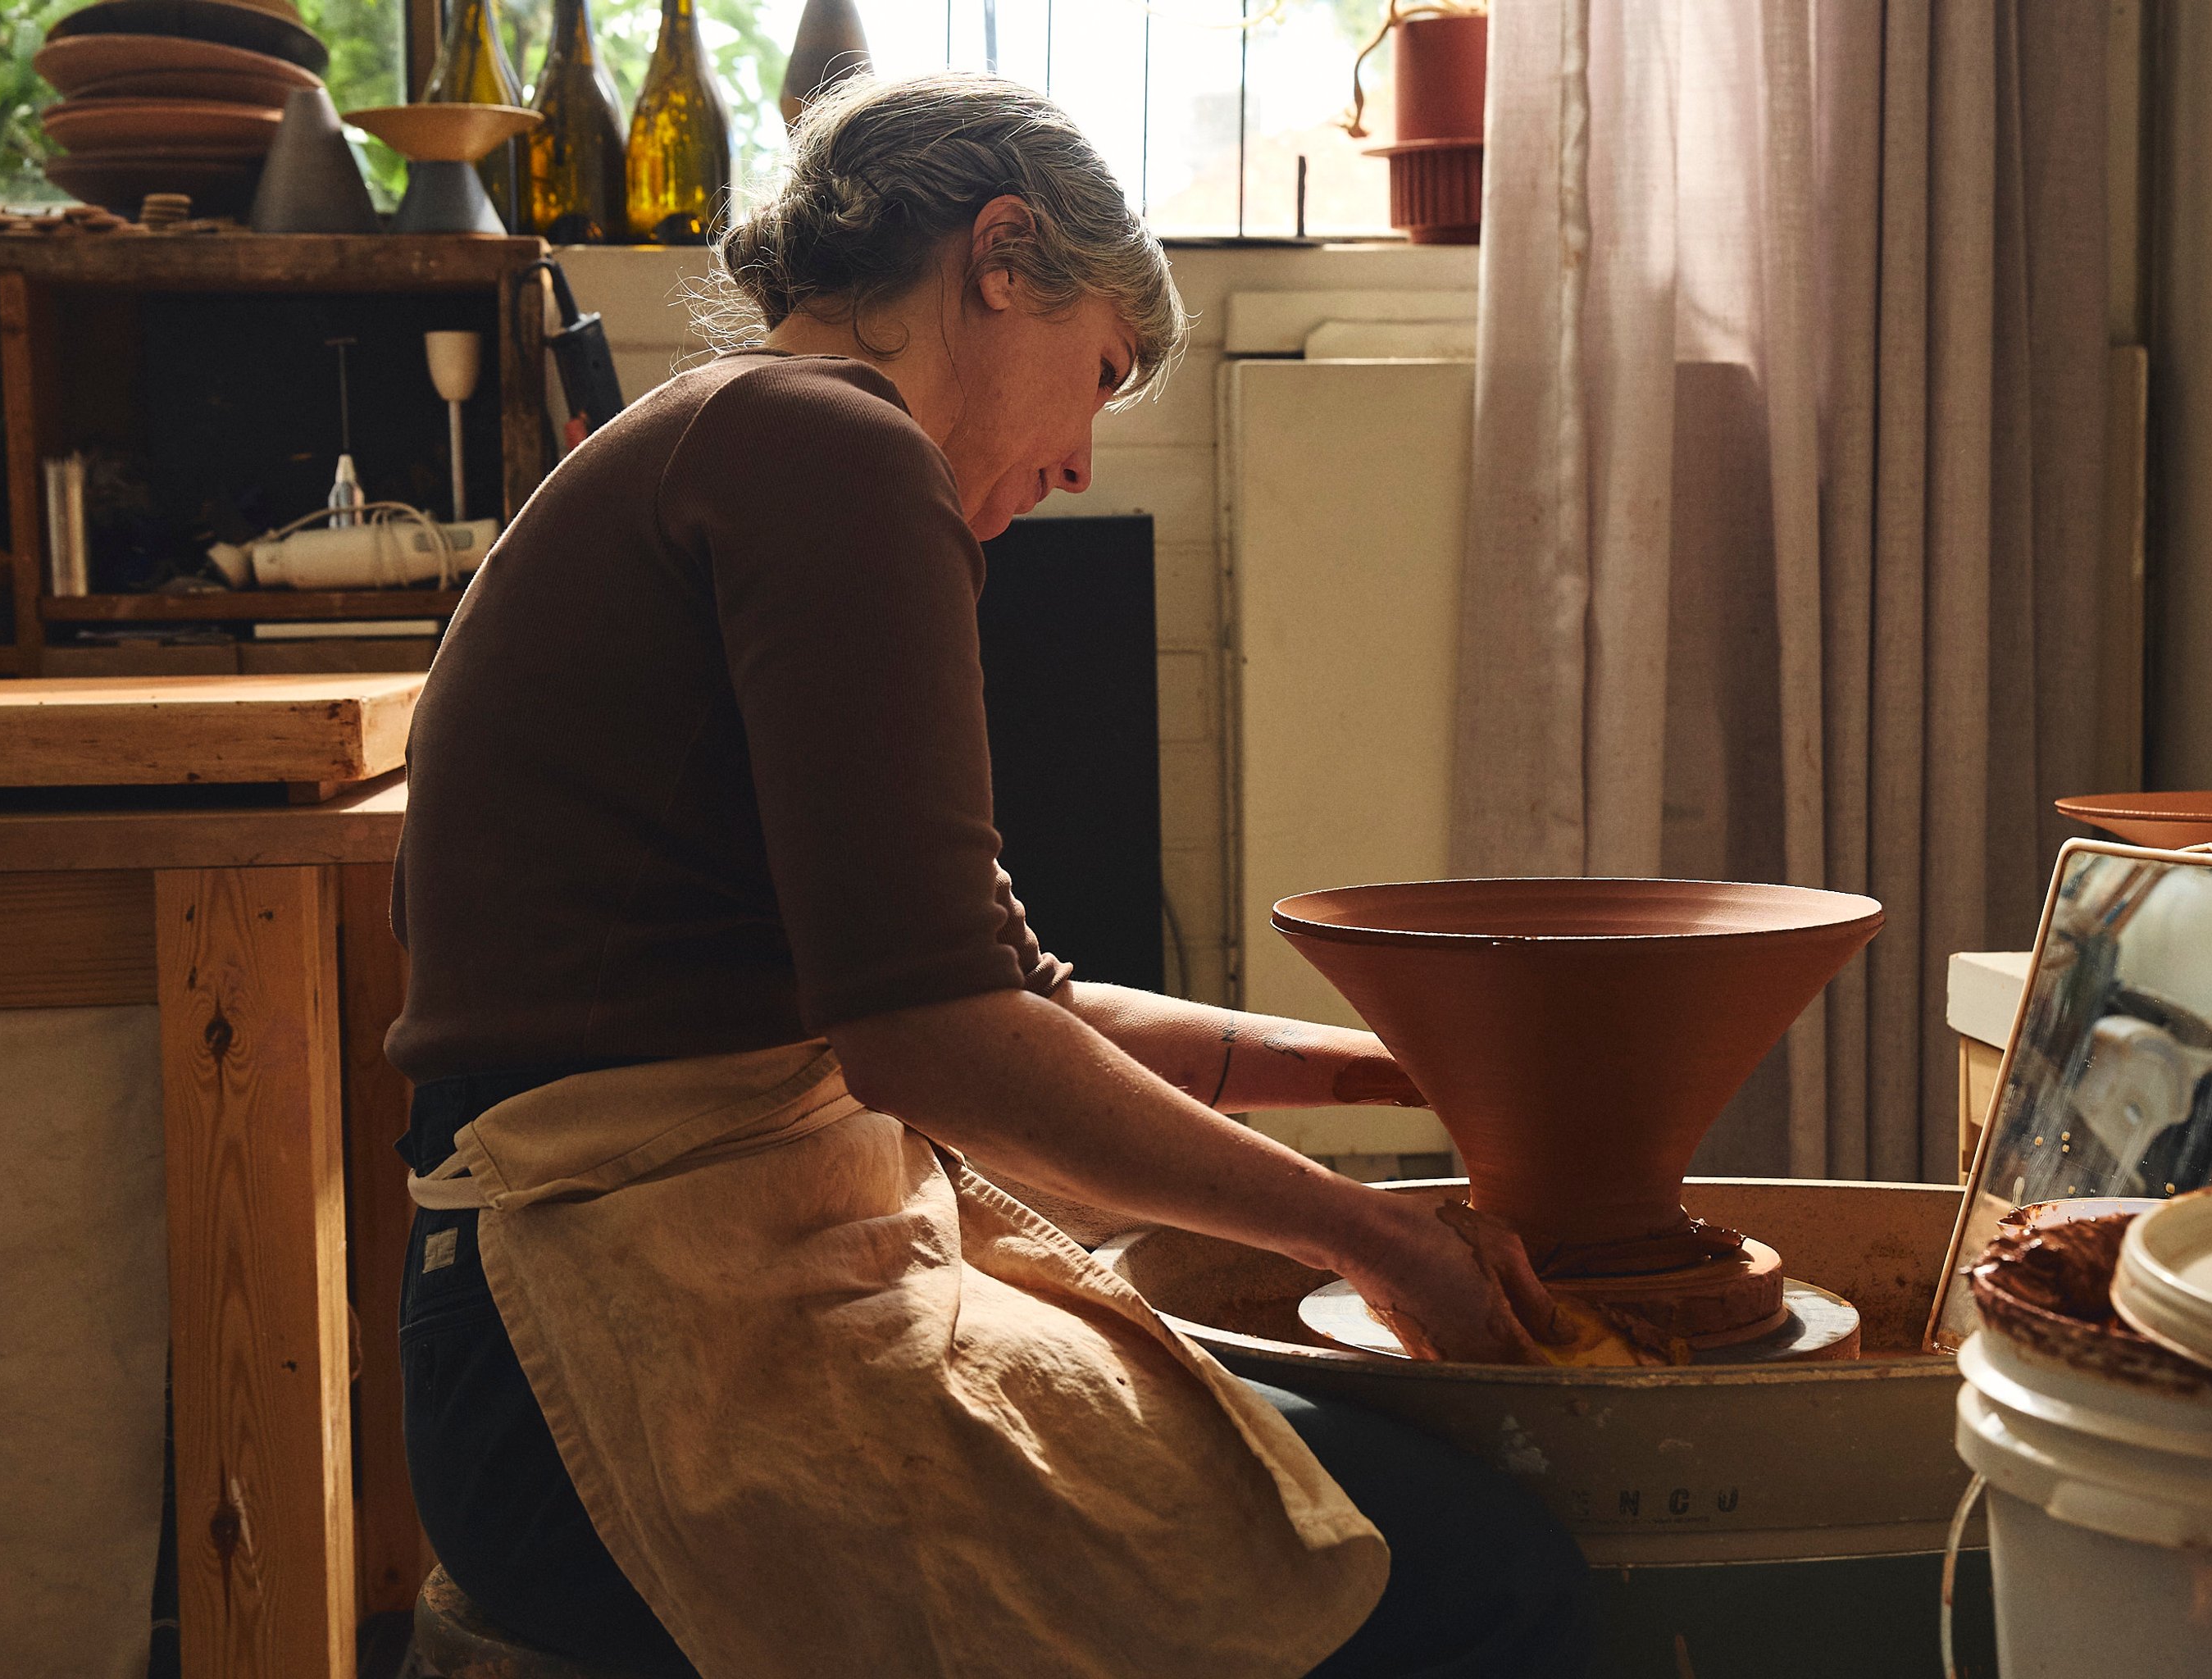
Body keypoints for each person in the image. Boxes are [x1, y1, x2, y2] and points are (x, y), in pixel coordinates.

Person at [388, 70, 1591, 1679]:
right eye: (1098, 376)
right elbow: (935, 1043)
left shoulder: (756, 439)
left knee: (1322, 1495)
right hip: (616, 1347)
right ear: (1000, 257)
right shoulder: (825, 444)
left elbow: (1013, 1001)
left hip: (603, 1304)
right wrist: (1371, 1237)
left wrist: (1400, 1070)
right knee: (1477, 1570)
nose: (1086, 459)